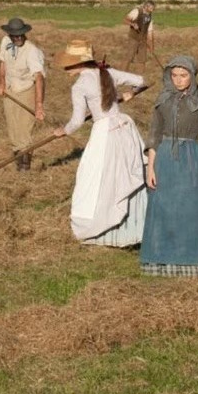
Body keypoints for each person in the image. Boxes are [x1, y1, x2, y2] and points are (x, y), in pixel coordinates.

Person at [141, 54, 198, 276]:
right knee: (164, 209)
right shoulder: (163, 99)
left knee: (192, 209)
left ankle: (197, 261)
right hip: (165, 159)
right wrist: (150, 167)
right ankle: (163, 262)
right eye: (175, 75)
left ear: (192, 75)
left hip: (191, 158)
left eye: (184, 75)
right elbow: (154, 135)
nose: (179, 80)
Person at [61, 40, 147, 247]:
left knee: (97, 179)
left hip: (104, 132)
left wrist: (62, 131)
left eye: (68, 64)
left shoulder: (80, 85)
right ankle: (133, 227)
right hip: (123, 127)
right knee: (122, 175)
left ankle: (101, 230)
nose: (65, 68)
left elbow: (77, 120)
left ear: (77, 64)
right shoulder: (107, 73)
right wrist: (130, 93)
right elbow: (140, 80)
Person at [0, 17, 47, 170]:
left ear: (24, 34)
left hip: (27, 90)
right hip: (11, 89)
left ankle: (25, 166)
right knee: (13, 127)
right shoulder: (5, 42)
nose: (18, 38)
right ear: (9, 35)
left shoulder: (32, 52)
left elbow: (39, 78)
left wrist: (38, 106)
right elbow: (3, 63)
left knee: (24, 129)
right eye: (14, 36)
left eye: (20, 35)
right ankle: (17, 159)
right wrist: (2, 85)